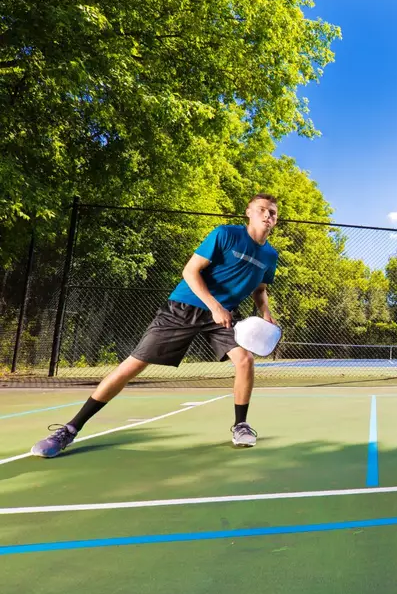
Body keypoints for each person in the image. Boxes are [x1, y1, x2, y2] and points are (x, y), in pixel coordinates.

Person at [31, 194, 280, 457]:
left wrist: (266, 312)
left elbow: (260, 289)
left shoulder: (269, 255)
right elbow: (190, 271)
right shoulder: (225, 235)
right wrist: (214, 305)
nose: (267, 215)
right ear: (249, 213)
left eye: (273, 213)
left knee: (245, 360)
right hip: (185, 306)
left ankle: (241, 424)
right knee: (134, 364)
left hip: (222, 317)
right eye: (262, 210)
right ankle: (69, 429)